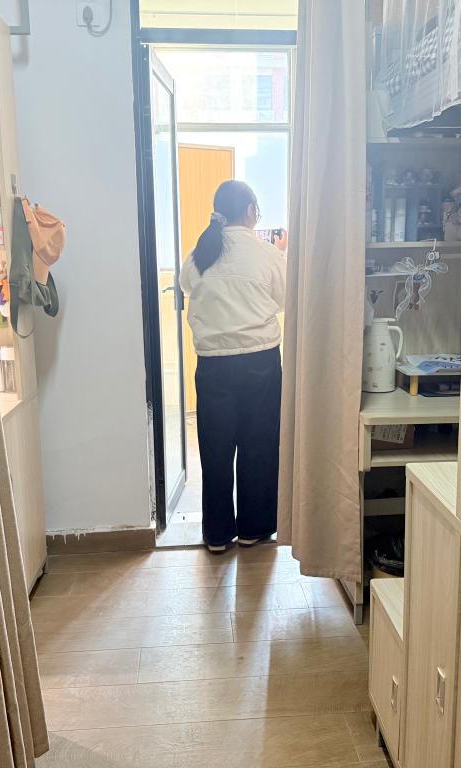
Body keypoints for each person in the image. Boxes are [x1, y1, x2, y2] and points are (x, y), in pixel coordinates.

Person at [179, 180, 287, 554]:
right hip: (260, 361)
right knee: (259, 445)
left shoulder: (200, 253)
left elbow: (186, 285)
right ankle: (254, 529)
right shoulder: (267, 253)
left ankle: (217, 534)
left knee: (216, 449)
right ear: (251, 211)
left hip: (213, 365)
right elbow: (284, 299)